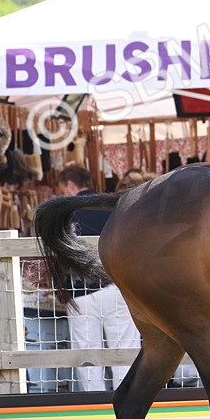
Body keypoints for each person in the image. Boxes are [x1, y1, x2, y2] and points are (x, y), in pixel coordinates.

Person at [57, 164, 140, 392]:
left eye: (63, 189)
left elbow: (59, 254)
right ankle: (128, 401)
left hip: (79, 292)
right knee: (124, 351)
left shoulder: (65, 212)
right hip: (115, 286)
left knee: (87, 356)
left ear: (71, 186)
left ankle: (93, 405)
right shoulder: (113, 206)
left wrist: (62, 289)